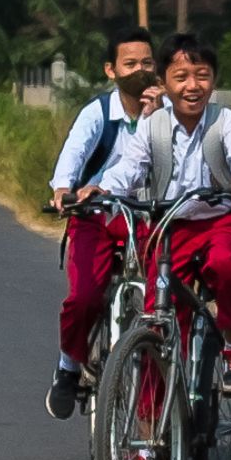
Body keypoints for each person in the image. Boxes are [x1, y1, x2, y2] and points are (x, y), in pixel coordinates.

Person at [84, 33, 231, 397]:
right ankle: (149, 436)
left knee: (229, 265)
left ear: (214, 80)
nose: (192, 86)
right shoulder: (154, 125)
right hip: (170, 226)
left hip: (220, 221)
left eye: (202, 75)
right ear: (163, 83)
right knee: (158, 319)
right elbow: (129, 168)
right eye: (181, 77)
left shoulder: (224, 120)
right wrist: (103, 189)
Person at [45, 26, 163, 420]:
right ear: (111, 70)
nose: (140, 71)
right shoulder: (97, 113)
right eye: (130, 64)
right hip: (94, 216)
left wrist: (157, 118)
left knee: (164, 299)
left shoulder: (166, 115)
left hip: (147, 218)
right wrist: (64, 190)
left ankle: (162, 391)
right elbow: (72, 157)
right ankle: (68, 366)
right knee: (84, 297)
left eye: (147, 63)